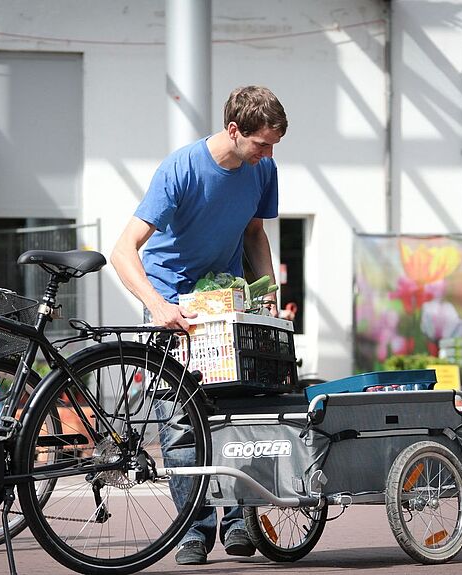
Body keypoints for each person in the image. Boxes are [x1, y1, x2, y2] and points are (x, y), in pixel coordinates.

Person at [110, 85, 287, 565]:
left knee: (232, 413)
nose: (268, 155)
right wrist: (157, 305)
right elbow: (123, 250)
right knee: (181, 419)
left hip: (226, 298)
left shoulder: (261, 168)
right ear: (234, 130)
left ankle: (235, 522)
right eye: (262, 144)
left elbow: (254, 233)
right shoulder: (180, 170)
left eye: (273, 145)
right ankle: (192, 530)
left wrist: (267, 294)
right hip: (173, 304)